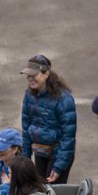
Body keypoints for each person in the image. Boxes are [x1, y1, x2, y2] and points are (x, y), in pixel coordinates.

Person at [20, 54, 77, 184]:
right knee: (40, 193)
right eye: (28, 75)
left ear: (46, 74)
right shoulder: (29, 94)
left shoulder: (64, 99)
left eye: (34, 75)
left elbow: (68, 137)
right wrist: (26, 159)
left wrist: (58, 166)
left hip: (58, 154)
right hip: (40, 152)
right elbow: (26, 126)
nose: (30, 79)